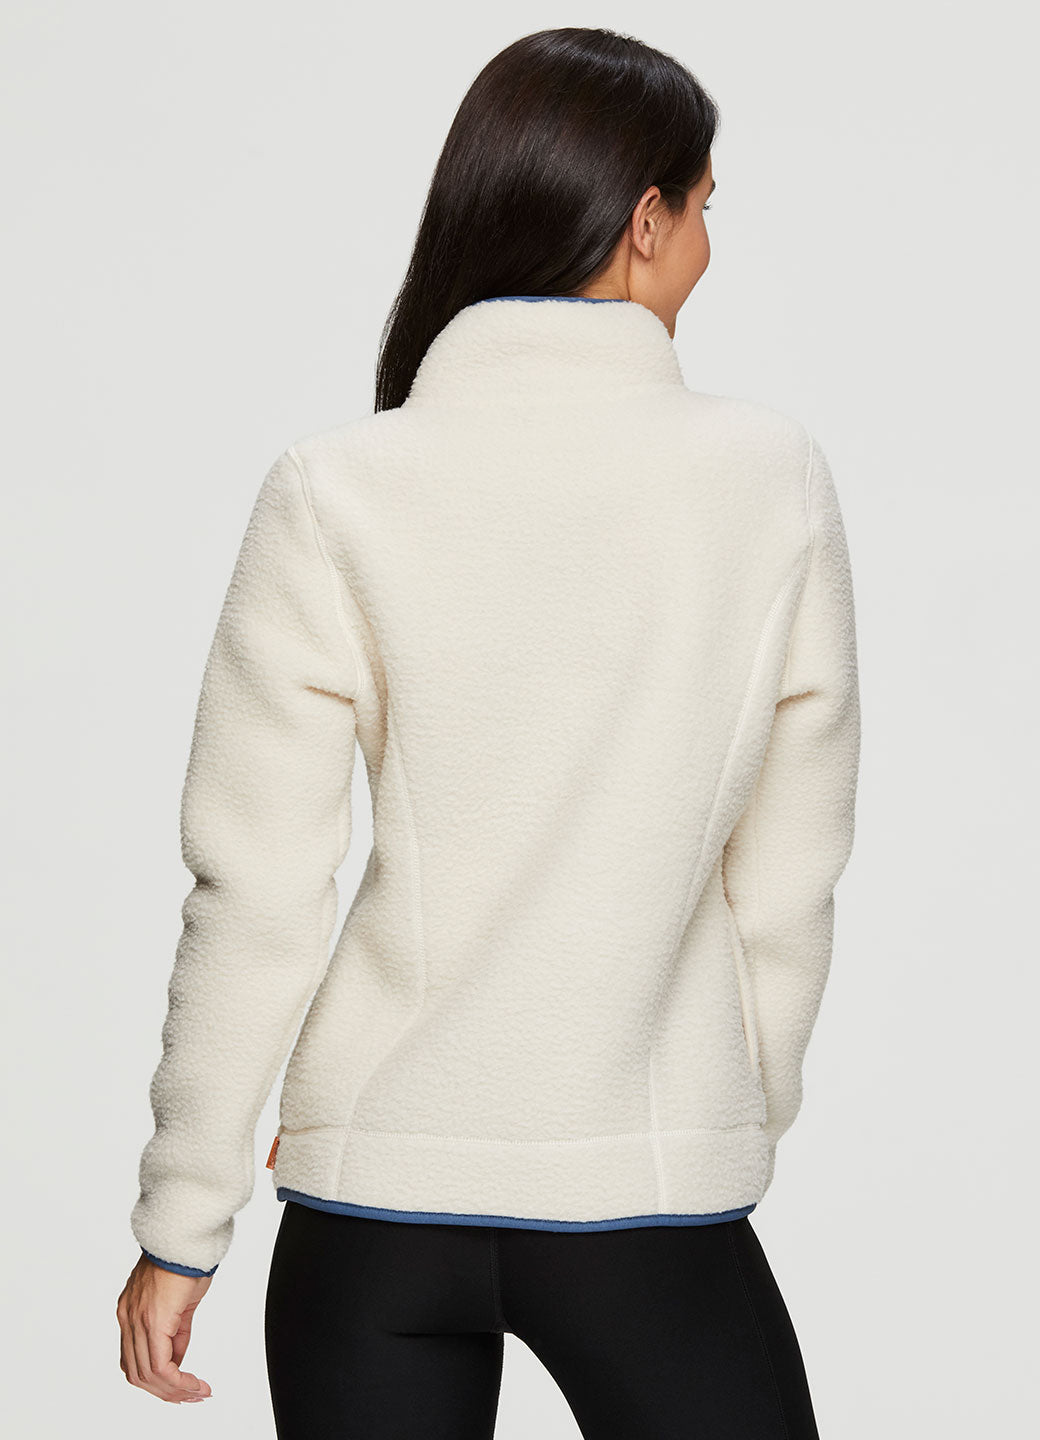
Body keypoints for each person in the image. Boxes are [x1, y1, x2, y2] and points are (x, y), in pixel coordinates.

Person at [116, 25, 860, 1440]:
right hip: (643, 1206)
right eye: (706, 206)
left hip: (370, 1207)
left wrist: (180, 1223)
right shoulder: (771, 481)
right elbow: (786, 880)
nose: (709, 246)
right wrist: (717, 1118)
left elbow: (256, 894)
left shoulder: (337, 484)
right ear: (646, 220)